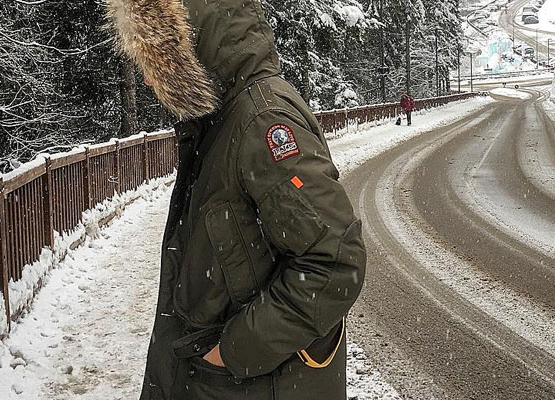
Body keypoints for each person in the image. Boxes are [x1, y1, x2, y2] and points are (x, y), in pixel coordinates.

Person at [106, 0, 367, 399]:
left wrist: (232, 352)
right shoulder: (220, 121)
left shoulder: (260, 121)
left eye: (155, 58)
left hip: (248, 384)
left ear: (189, 47)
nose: (145, 79)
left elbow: (334, 261)